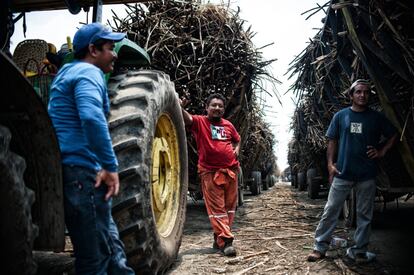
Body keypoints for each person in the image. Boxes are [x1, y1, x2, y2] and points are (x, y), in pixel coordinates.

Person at [48, 22, 135, 274]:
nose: (115, 54)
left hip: (78, 174)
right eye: (110, 47)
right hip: (85, 175)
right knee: (94, 260)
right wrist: (110, 165)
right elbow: (91, 117)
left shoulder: (66, 72)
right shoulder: (89, 73)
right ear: (93, 50)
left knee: (113, 253)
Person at [306, 79, 397, 264]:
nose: (362, 95)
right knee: (330, 210)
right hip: (343, 173)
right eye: (358, 92)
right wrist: (330, 164)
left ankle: (359, 250)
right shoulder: (341, 116)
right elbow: (332, 140)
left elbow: (394, 134)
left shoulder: (376, 117)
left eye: (366, 92)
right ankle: (320, 247)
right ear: (351, 95)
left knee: (365, 215)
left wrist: (381, 150)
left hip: (367, 174)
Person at [181, 93, 241, 257]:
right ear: (206, 108)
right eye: (213, 105)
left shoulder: (228, 125)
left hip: (231, 171)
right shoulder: (200, 122)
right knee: (217, 209)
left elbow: (237, 139)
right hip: (210, 172)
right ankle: (227, 242)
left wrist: (236, 149)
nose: (217, 108)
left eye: (220, 106)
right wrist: (181, 107)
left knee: (229, 209)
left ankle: (218, 238)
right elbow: (187, 119)